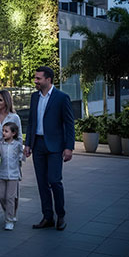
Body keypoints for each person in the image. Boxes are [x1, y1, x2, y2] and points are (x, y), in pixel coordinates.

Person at [24, 66, 75, 231]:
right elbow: (31, 122)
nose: (35, 81)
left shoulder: (62, 97)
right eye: (35, 78)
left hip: (55, 146)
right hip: (38, 145)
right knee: (41, 183)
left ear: (48, 79)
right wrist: (28, 143)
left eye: (38, 78)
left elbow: (69, 124)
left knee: (54, 180)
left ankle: (60, 215)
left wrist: (69, 147)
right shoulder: (34, 97)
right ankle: (47, 217)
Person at [0, 90, 21, 223]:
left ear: (7, 101)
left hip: (11, 153)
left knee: (12, 181)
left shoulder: (14, 117)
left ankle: (13, 211)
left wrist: (19, 156)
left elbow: (19, 138)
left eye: (0, 100)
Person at [0, 122, 25, 230]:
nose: (3, 133)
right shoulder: (0, 145)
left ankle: (9, 220)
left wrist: (20, 158)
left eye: (6, 131)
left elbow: (22, 154)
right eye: (3, 131)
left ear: (13, 133)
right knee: (1, 196)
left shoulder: (17, 145)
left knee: (10, 197)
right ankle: (10, 212)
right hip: (2, 174)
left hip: (14, 175)